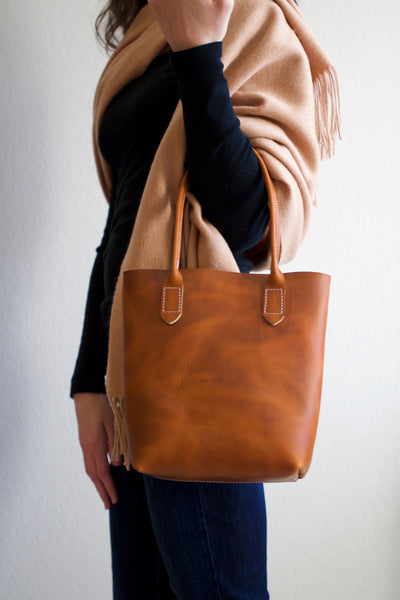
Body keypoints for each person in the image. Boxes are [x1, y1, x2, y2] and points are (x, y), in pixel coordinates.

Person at [71, 1, 339, 598]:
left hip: (199, 374)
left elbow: (252, 221)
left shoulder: (253, 22)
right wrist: (89, 381)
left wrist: (198, 55)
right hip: (128, 370)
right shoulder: (149, 23)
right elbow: (123, 221)